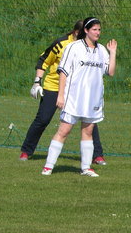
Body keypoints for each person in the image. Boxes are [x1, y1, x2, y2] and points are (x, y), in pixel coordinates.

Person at [19, 20, 106, 165]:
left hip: (75, 90)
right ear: (77, 32)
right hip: (53, 87)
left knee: (89, 121)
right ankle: (26, 151)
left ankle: (97, 155)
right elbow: (43, 61)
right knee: (43, 119)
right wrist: (37, 82)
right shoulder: (62, 44)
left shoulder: (90, 47)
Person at [41, 17, 117, 177]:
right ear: (86, 31)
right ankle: (48, 166)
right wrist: (60, 95)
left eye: (99, 30)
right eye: (95, 29)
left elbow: (110, 72)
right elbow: (63, 72)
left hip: (93, 99)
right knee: (64, 130)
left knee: (88, 131)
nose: (98, 32)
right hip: (74, 98)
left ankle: (86, 167)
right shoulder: (74, 48)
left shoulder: (102, 50)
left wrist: (113, 53)